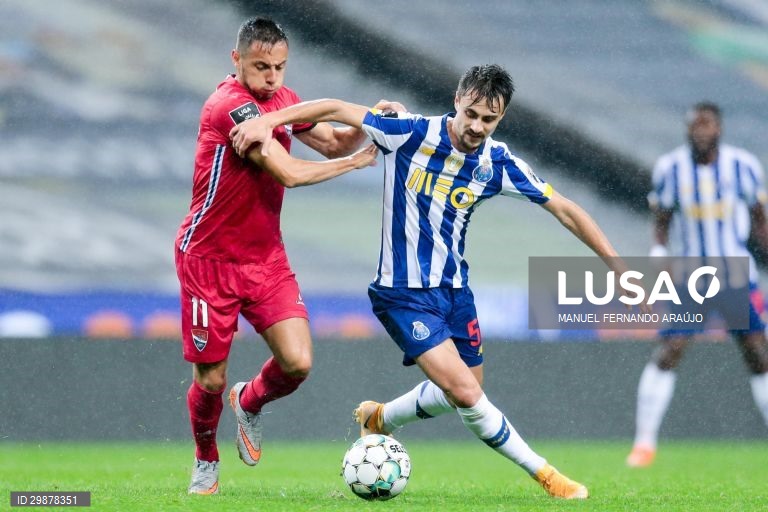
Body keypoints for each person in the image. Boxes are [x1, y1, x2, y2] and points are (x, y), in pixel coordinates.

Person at [231, 64, 650, 500]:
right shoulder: (409, 133)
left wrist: (618, 268)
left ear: (500, 118)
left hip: (454, 293)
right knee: (467, 393)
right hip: (402, 294)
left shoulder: (497, 163)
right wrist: (268, 120)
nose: (476, 126)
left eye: (489, 120)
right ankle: (546, 475)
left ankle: (380, 418)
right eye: (471, 113)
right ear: (457, 100)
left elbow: (565, 208)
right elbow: (337, 108)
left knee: (464, 390)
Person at [176, 16, 384, 495]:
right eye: (261, 66)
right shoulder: (229, 107)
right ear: (237, 60)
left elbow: (332, 138)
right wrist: (353, 164)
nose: (271, 77)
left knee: (297, 363)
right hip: (209, 262)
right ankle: (205, 458)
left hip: (265, 258)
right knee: (210, 378)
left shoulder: (283, 101)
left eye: (280, 67)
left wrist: (372, 123)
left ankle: (248, 401)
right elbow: (288, 171)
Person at [625, 102, 768, 467]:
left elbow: (759, 221)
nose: (701, 132)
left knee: (758, 353)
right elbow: (661, 218)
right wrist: (658, 250)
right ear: (687, 130)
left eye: (707, 125)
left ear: (719, 129)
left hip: (734, 272)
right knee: (670, 348)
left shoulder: (744, 166)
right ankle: (643, 444)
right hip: (691, 275)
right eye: (695, 126)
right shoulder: (670, 169)